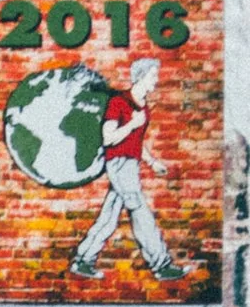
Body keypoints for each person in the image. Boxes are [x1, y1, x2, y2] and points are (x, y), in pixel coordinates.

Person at [69, 56, 195, 284]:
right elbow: (109, 138)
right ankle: (162, 264)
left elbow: (137, 141)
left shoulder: (143, 106)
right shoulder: (119, 103)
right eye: (153, 76)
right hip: (119, 163)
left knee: (110, 216)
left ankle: (83, 259)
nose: (156, 80)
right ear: (142, 76)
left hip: (131, 163)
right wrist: (132, 124)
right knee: (140, 212)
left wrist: (152, 161)